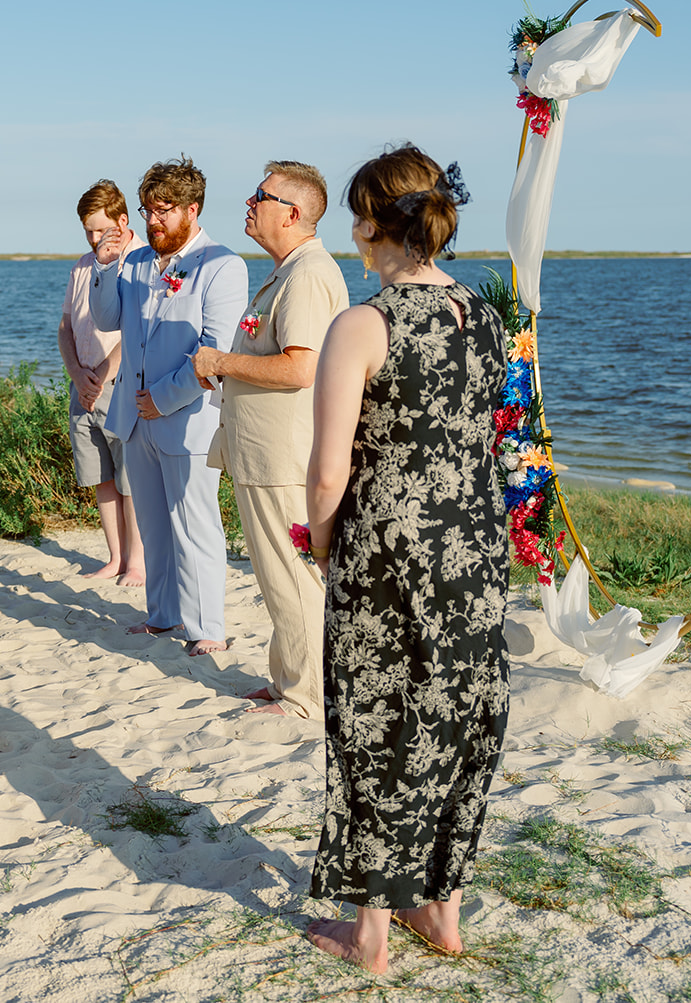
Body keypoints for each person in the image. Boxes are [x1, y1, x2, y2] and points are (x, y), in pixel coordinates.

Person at [302, 146, 509, 972]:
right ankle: (443, 909)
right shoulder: (487, 317)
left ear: (368, 224)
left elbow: (327, 469)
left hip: (389, 555)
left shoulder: (364, 323)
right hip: (476, 548)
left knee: (378, 720)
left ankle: (373, 934)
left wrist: (318, 540)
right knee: (458, 714)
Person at [192, 162, 347, 719]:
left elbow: (300, 368)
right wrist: (231, 370)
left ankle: (307, 695)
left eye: (262, 196)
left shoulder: (306, 275)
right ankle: (289, 678)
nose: (249, 204)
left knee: (293, 575)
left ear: (294, 212)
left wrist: (218, 361)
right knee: (277, 575)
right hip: (261, 453)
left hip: (285, 456)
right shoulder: (284, 272)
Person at [90, 157, 247, 655]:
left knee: (195, 524)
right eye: (148, 211)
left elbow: (216, 350)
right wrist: (105, 263)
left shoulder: (223, 265)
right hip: (136, 419)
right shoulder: (135, 262)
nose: (153, 220)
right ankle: (161, 616)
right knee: (155, 525)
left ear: (191, 209)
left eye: (163, 211)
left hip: (188, 419)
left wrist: (162, 398)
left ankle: (207, 630)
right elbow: (108, 316)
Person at [59, 180, 145, 585]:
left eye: (100, 229)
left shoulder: (141, 262)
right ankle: (114, 557)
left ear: (122, 221)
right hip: (83, 385)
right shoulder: (81, 266)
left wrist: (103, 376)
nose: (94, 238)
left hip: (121, 383)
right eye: (88, 230)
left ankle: (138, 562)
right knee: (101, 477)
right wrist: (78, 375)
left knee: (132, 479)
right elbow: (65, 327)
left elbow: (137, 332)